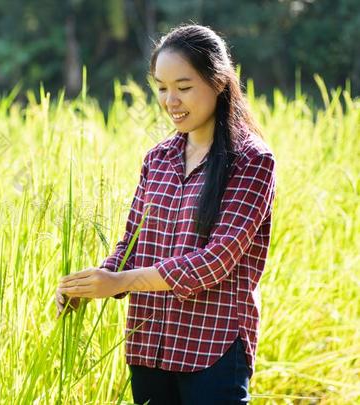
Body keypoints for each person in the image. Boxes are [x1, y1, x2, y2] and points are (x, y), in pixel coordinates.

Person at [56, 24, 277, 404]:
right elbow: (133, 242)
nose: (171, 100)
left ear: (219, 81)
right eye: (161, 87)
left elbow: (215, 261)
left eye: (184, 87)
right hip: (149, 344)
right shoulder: (158, 158)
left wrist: (120, 281)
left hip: (213, 348)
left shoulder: (252, 160)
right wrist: (92, 283)